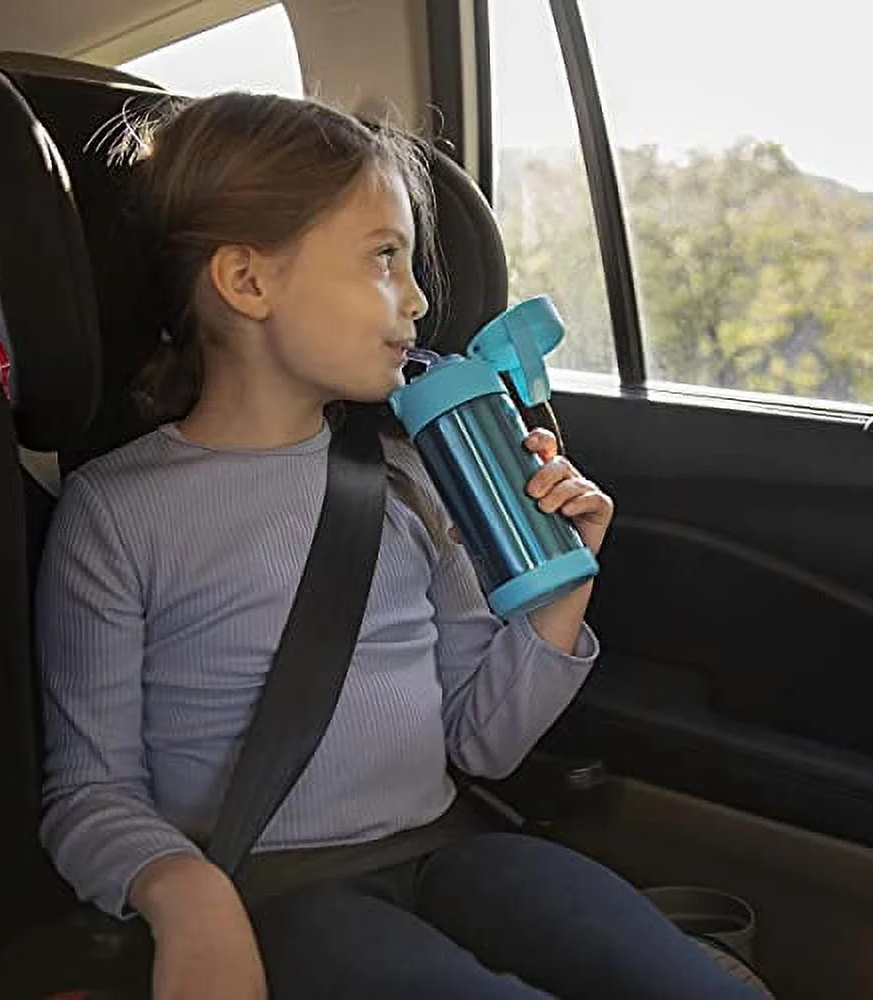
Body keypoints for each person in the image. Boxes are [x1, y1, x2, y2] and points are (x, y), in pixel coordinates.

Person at [37, 92, 766, 1000]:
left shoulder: (411, 475)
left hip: (452, 849)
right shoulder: (119, 511)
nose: (419, 298)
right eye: (385, 257)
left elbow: (483, 745)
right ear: (248, 282)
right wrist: (187, 895)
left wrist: (557, 591)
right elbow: (89, 793)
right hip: (280, 895)